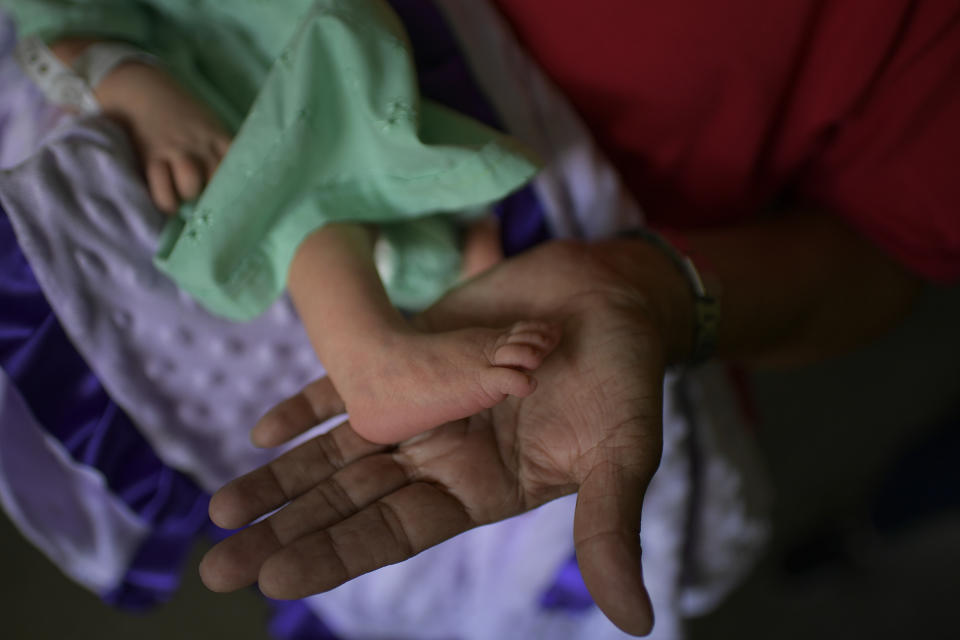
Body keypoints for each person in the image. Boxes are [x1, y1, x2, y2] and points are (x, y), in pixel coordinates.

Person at [198, 0, 960, 636]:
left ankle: (376, 355)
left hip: (550, 252)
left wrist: (643, 289)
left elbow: (887, 253)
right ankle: (372, 356)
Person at [8, 0, 561, 445]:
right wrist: (131, 84)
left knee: (351, 181)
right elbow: (60, 23)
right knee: (294, 195)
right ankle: (372, 360)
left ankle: (441, 274)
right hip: (227, 89)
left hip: (316, 63)